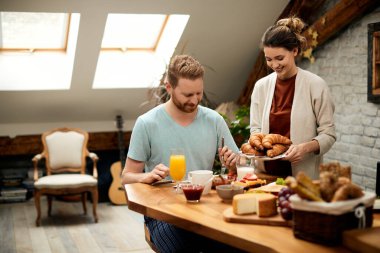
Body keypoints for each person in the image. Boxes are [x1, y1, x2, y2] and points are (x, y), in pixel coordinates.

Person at [121, 55, 241, 252]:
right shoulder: (147, 123)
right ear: (169, 88)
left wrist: (233, 162)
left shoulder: (214, 120)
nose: (194, 100)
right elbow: (126, 178)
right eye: (187, 95)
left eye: (198, 93)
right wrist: (147, 176)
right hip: (163, 212)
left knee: (237, 244)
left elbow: (236, 164)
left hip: (206, 205)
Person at [250, 17, 336, 180]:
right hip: (265, 176)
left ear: (295, 51)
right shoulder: (260, 87)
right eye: (269, 59)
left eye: (280, 58)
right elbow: (255, 130)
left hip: (303, 178)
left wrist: (304, 148)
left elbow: (328, 134)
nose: (275, 65)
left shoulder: (316, 85)